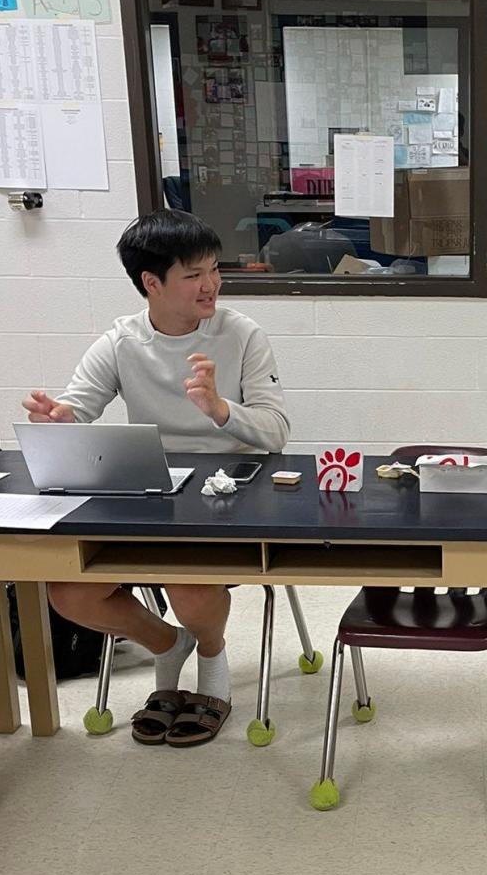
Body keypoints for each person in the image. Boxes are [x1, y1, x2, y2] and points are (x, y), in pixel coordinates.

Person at [20, 210, 289, 746]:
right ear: (151, 282)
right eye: (193, 275)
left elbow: (276, 431)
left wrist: (220, 410)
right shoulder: (121, 340)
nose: (211, 284)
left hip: (228, 492)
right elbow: (80, 407)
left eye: (214, 269)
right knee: (69, 591)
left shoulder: (242, 334)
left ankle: (212, 664)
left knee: (187, 583)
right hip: (150, 489)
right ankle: (168, 645)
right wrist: (60, 417)